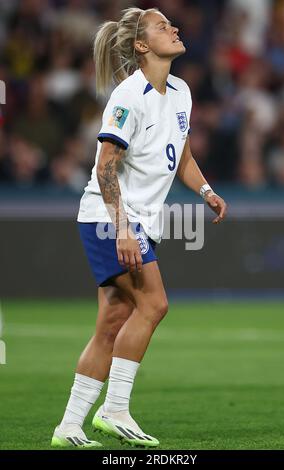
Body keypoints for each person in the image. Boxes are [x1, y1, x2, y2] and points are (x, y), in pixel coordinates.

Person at [51, 6, 227, 449]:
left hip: (130, 221)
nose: (175, 27)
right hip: (110, 218)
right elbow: (105, 164)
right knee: (154, 303)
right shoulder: (129, 95)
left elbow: (181, 157)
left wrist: (205, 191)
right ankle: (115, 409)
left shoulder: (182, 91)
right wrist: (124, 229)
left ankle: (68, 426)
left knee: (112, 320)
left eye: (172, 23)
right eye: (162, 26)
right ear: (142, 45)